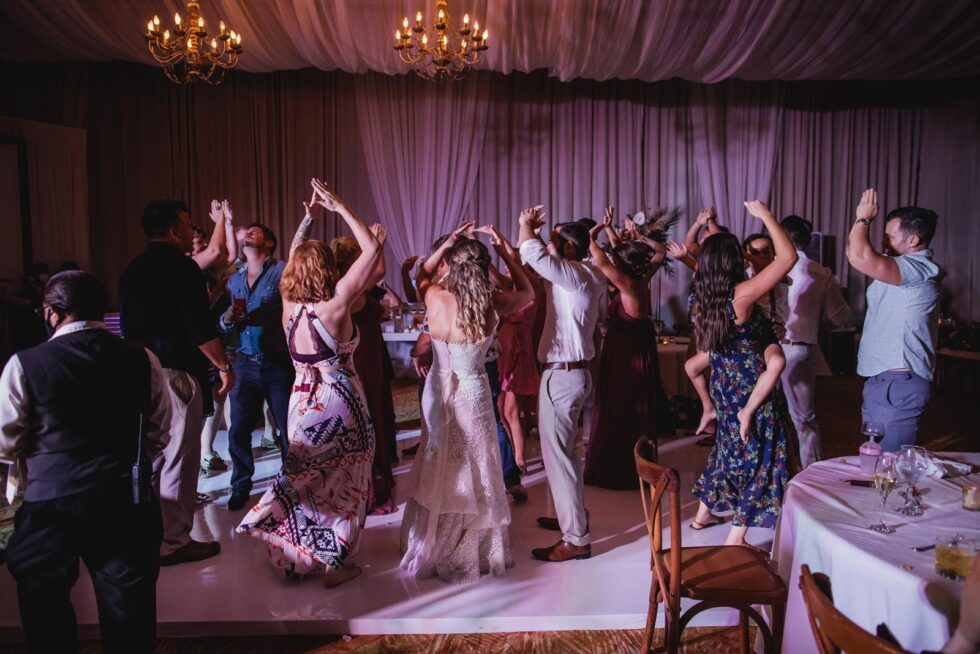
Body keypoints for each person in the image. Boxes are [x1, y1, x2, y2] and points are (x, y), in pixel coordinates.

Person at [0, 271, 171, 653]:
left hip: (49, 505)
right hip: (124, 500)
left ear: (50, 312)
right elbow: (159, 430)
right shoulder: (142, 358)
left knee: (46, 617)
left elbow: (5, 444)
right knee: (129, 614)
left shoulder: (24, 364)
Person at [237, 178, 379, 588]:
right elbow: (371, 249)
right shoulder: (335, 306)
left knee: (304, 478)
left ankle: (298, 555)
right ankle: (336, 563)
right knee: (348, 481)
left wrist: (307, 219)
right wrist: (341, 209)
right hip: (341, 400)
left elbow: (293, 257)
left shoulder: (287, 303)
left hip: (300, 403)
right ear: (328, 270)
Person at [400, 223, 532, 584]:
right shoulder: (494, 302)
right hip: (473, 392)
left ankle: (431, 542)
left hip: (439, 392)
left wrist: (449, 244)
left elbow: (423, 273)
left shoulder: (436, 299)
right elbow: (527, 290)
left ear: (453, 266)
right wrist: (505, 251)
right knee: (476, 465)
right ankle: (472, 547)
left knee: (437, 463)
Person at [119, 199, 233, 566]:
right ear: (172, 231)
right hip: (177, 372)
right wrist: (223, 365)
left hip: (140, 371)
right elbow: (198, 328)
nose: (189, 230)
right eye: (186, 224)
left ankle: (150, 533)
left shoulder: (132, 269)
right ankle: (173, 541)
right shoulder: (182, 269)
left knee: (152, 457)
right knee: (179, 459)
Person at [690, 201, 796, 545]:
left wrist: (711, 226)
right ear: (733, 262)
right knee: (764, 455)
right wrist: (766, 215)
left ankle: (702, 516)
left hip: (724, 385)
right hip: (751, 388)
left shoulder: (708, 295)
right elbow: (787, 259)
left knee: (729, 449)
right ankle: (736, 538)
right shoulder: (740, 295)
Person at [518, 207, 605, 563]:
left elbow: (531, 253)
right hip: (576, 373)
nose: (550, 247)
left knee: (560, 460)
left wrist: (526, 226)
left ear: (570, 248)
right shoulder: (589, 274)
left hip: (564, 374)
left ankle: (576, 538)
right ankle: (574, 524)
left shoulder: (575, 275)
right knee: (565, 457)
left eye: (556, 242)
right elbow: (536, 259)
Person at [583, 207, 673, 490]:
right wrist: (639, 237)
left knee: (620, 410)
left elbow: (600, 259)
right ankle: (636, 465)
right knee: (627, 410)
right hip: (635, 348)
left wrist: (591, 235)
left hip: (626, 355)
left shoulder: (630, 285)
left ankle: (618, 470)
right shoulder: (640, 279)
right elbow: (660, 252)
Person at [848, 190, 941, 452]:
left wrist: (863, 220)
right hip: (886, 381)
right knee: (876, 459)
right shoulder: (901, 266)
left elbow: (858, 257)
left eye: (890, 235)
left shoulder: (918, 269)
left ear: (913, 240)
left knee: (893, 467)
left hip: (898, 382)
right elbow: (857, 254)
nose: (883, 240)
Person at [219, 222, 292, 511]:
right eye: (245, 232)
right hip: (244, 363)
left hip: (277, 363)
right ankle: (240, 485)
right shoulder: (233, 280)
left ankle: (290, 485)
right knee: (238, 430)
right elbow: (222, 323)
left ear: (270, 243)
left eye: (254, 232)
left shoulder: (283, 272)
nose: (247, 235)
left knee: (287, 430)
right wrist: (226, 320)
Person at [330, 230, 398, 515]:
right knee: (369, 417)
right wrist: (378, 245)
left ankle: (372, 483)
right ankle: (370, 488)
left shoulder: (357, 286)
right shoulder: (348, 286)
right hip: (361, 357)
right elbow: (379, 269)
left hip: (372, 354)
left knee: (377, 414)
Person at [779, 215, 850, 467]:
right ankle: (811, 475)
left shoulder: (767, 266)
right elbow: (841, 318)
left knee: (766, 415)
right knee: (803, 419)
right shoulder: (822, 274)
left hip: (766, 351)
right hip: (798, 350)